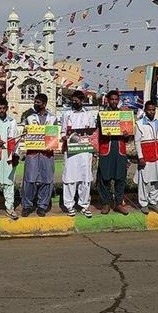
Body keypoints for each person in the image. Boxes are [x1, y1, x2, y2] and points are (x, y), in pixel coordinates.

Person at [21, 93, 58, 217]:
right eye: (35, 102)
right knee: (29, 179)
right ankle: (27, 205)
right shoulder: (30, 118)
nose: (35, 104)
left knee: (47, 180)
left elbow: (55, 136)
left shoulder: (52, 119)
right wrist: (25, 133)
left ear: (45, 104)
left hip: (47, 154)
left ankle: (42, 206)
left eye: (38, 102)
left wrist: (52, 144)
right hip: (32, 153)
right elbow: (25, 134)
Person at [61, 90, 96, 218]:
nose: (74, 103)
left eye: (77, 101)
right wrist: (64, 138)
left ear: (82, 101)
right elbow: (62, 132)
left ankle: (84, 205)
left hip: (85, 152)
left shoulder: (89, 115)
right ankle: (69, 205)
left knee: (85, 179)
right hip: (71, 152)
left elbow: (92, 133)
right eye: (73, 101)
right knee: (70, 179)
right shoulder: (67, 114)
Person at [97, 90, 131, 215]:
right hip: (106, 149)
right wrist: (105, 132)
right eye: (112, 99)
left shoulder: (124, 114)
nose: (114, 102)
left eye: (116, 99)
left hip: (120, 149)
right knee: (104, 178)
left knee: (120, 178)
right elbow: (97, 133)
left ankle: (118, 204)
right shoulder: (102, 115)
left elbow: (128, 137)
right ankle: (106, 203)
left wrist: (127, 135)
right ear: (107, 100)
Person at [134, 100, 158, 214]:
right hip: (146, 156)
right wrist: (140, 157)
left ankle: (153, 202)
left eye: (153, 110)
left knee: (157, 181)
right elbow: (137, 142)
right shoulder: (139, 123)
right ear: (145, 110)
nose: (151, 112)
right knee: (145, 181)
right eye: (149, 110)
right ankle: (143, 203)